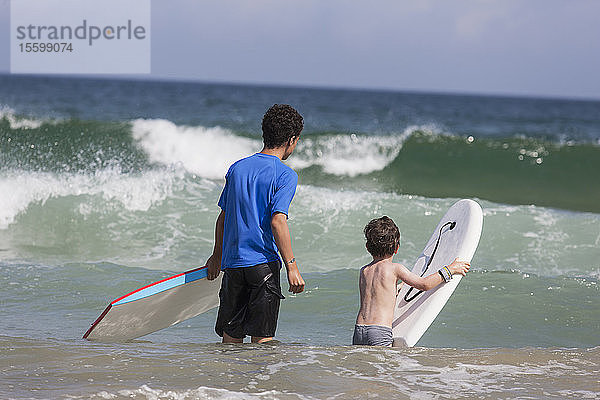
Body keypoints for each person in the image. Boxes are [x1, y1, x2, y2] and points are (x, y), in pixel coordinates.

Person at [206, 104, 305, 344]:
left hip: (233, 267)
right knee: (262, 344)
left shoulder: (238, 169)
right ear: (291, 139)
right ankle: (258, 384)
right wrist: (292, 267)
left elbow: (224, 216)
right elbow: (278, 220)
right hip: (262, 267)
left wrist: (216, 256)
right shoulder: (285, 175)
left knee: (230, 342)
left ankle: (228, 383)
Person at [353, 216, 470, 347]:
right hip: (379, 332)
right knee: (383, 366)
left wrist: (397, 288)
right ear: (397, 248)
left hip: (359, 330)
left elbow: (375, 294)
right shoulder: (395, 268)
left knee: (363, 365)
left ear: (368, 247)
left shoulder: (364, 271)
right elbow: (424, 284)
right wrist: (450, 269)